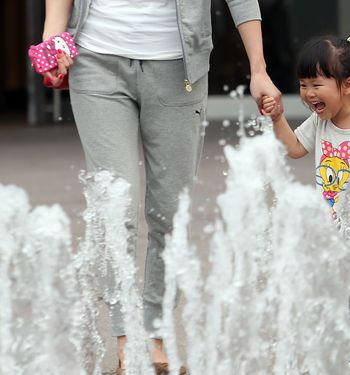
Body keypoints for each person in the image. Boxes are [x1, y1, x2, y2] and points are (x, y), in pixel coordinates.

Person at [41, 0, 281, 374]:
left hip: (178, 68)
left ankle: (155, 335)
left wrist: (259, 68)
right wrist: (53, 39)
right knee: (115, 207)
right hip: (96, 62)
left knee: (169, 212)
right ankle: (124, 341)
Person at [262, 35, 350, 373]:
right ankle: (347, 349)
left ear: (347, 85)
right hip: (335, 232)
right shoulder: (322, 121)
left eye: (317, 84)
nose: (308, 93)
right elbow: (295, 148)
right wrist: (278, 118)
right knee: (335, 295)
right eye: (303, 84)